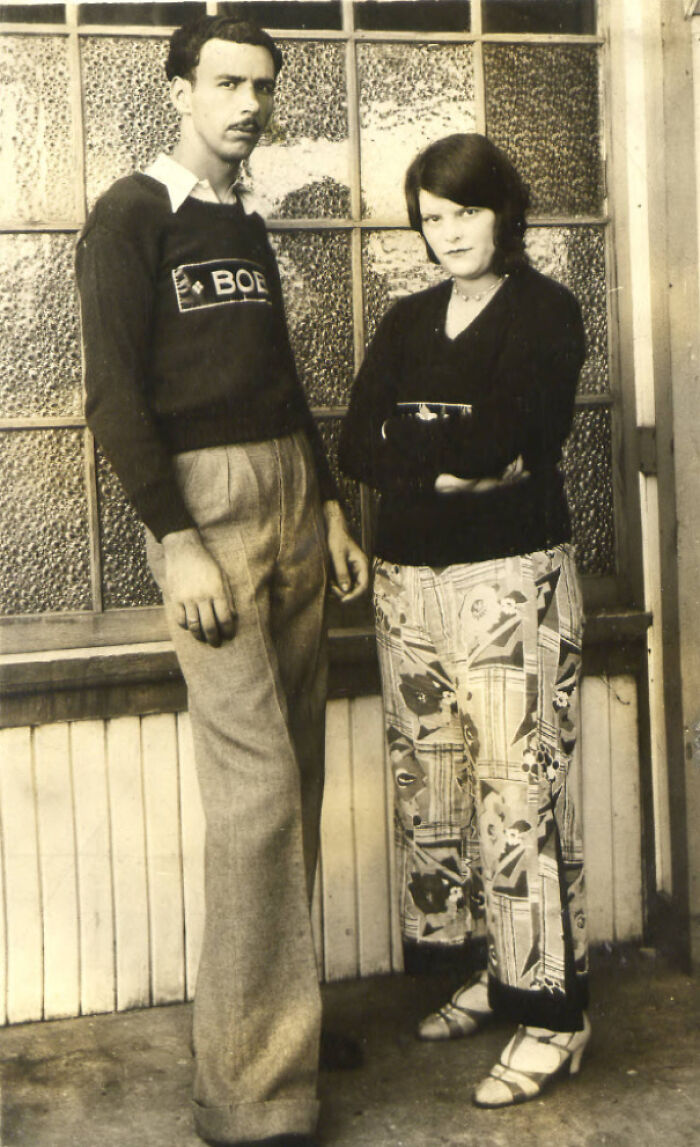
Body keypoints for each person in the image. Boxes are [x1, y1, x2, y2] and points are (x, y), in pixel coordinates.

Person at [76, 14, 368, 1147]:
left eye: (262, 86)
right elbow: (113, 398)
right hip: (207, 512)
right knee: (253, 800)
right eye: (227, 83)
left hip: (294, 495)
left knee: (295, 771)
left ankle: (275, 1026)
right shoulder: (130, 216)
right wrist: (175, 537)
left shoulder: (242, 219)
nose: (248, 104)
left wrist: (332, 500)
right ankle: (249, 1092)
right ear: (177, 91)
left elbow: (281, 378)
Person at [339, 133, 589, 1108]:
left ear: (504, 212)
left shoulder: (548, 311)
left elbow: (513, 438)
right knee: (439, 786)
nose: (448, 235)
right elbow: (361, 438)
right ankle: (497, 972)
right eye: (430, 219)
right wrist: (437, 453)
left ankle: (553, 1019)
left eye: (464, 213)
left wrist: (430, 439)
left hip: (509, 582)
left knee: (518, 795)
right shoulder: (406, 320)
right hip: (408, 591)